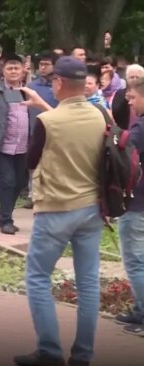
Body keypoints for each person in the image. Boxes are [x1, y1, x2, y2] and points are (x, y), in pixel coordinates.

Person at [15, 57, 106, 366]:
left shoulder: (47, 122)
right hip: (92, 208)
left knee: (38, 277)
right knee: (89, 283)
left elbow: (30, 161)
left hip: (55, 208)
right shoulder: (99, 115)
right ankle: (82, 356)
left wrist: (43, 110)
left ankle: (50, 351)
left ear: (58, 84)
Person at [0, 54, 37, 235]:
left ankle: (5, 215)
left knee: (19, 182)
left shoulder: (28, 92)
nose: (13, 71)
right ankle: (6, 220)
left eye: (16, 68)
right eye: (9, 68)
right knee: (7, 181)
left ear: (22, 71)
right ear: (3, 71)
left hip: (23, 147)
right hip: (2, 145)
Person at [114, 77, 144, 336]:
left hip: (137, 204)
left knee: (135, 261)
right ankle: (139, 310)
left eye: (133, 98)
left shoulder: (141, 129)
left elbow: (120, 146)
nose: (130, 103)